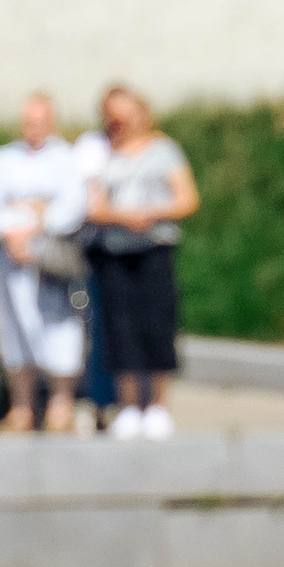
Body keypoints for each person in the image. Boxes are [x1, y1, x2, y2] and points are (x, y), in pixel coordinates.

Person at [84, 85, 200, 441]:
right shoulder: (100, 152)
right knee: (121, 327)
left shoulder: (163, 151)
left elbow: (187, 199)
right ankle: (129, 404)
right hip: (115, 251)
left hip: (153, 248)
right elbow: (94, 205)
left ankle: (158, 404)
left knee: (157, 323)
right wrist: (122, 217)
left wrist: (150, 213)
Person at [0, 93, 90, 433]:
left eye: (40, 122)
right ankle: (22, 407)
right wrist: (16, 230)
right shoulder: (2, 159)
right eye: (29, 122)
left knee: (60, 330)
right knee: (16, 334)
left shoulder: (66, 158)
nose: (34, 129)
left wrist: (36, 223)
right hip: (12, 259)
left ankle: (60, 405)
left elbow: (70, 207)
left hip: (51, 261)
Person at [73, 97, 120, 428]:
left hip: (137, 252)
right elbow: (90, 201)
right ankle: (100, 401)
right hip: (99, 249)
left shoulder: (149, 148)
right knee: (99, 327)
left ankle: (132, 402)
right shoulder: (90, 147)